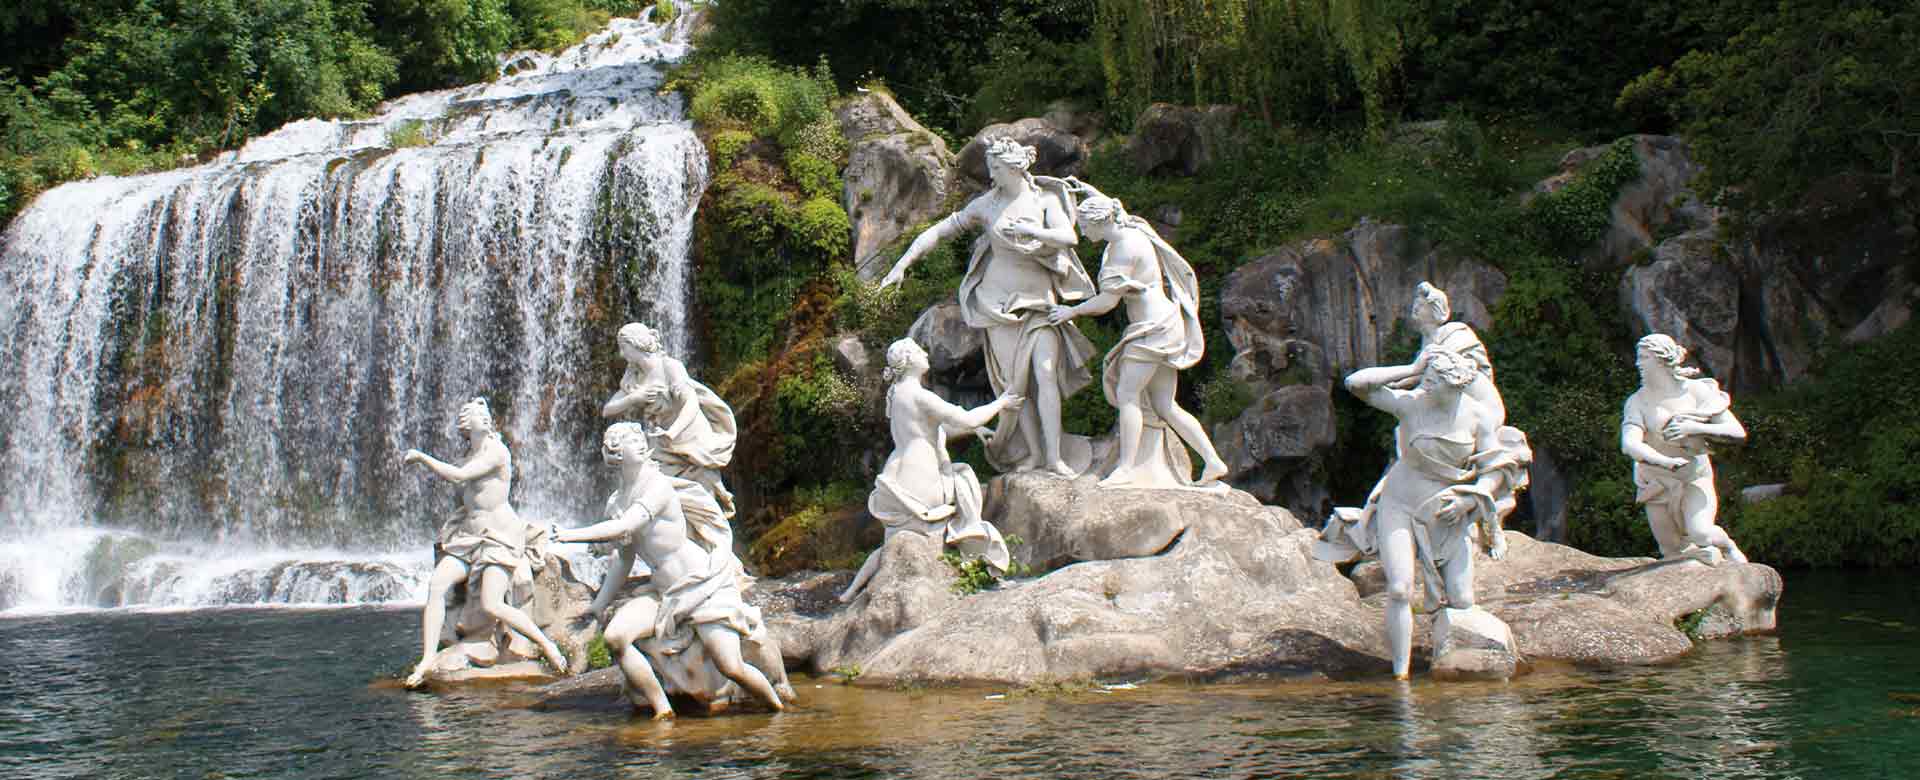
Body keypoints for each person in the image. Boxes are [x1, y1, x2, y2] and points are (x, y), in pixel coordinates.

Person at [878, 137, 1095, 477]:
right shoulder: (987, 205)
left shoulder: (1046, 200)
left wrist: (1033, 230)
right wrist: (902, 264)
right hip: (997, 305)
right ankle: (1035, 455)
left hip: (1038, 302)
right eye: (990, 168)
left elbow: (1069, 237)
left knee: (1046, 373)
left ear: (1015, 168)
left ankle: (1055, 456)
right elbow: (940, 231)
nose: (991, 175)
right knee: (1016, 384)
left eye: (996, 169)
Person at [1319, 350, 1531, 679]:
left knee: (1461, 601)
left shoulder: (1478, 416)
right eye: (1425, 378)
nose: (1425, 385)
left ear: (1454, 385)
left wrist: (1467, 502)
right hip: (1400, 503)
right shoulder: (1412, 404)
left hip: (1447, 511)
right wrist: (1413, 367)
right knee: (1401, 589)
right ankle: (1400, 674)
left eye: (1432, 380)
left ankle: (1449, 652)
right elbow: (1356, 383)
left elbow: (1495, 470)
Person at [552, 423, 786, 718]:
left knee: (732, 667)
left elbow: (626, 526)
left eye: (639, 438)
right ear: (614, 452)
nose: (639, 442)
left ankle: (778, 712)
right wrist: (598, 605)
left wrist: (569, 535)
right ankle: (663, 710)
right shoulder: (616, 501)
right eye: (629, 439)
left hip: (701, 585)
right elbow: (624, 559)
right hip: (664, 592)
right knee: (616, 638)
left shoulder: (657, 486)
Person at [1046, 192, 1227, 488]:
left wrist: (1071, 311)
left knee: (1127, 394)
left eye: (1084, 225)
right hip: (1165, 324)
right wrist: (1087, 191)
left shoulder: (1122, 249)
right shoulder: (1132, 229)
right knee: (1165, 404)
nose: (1081, 232)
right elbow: (1117, 208)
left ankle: (1127, 468)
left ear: (1098, 221)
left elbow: (1106, 303)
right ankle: (1213, 461)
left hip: (1151, 329)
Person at [838, 339, 1021, 603]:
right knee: (964, 476)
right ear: (910, 360)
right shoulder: (920, 395)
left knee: (891, 542)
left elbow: (928, 430)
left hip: (897, 477)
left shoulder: (896, 393)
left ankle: (851, 591)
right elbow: (967, 418)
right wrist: (1001, 403)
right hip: (923, 480)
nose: (925, 354)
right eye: (919, 351)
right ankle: (974, 548)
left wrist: (975, 430)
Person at [403, 398, 567, 688]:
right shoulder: (469, 454)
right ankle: (428, 658)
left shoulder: (497, 452)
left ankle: (546, 645)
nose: (473, 417)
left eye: (479, 414)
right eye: (468, 413)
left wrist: (421, 457)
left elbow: (459, 477)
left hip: (498, 538)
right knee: (437, 585)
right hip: (469, 537)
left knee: (492, 604)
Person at [1620, 333, 1749, 564]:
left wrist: (1694, 427)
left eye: (1644, 358)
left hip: (1693, 479)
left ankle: (1727, 546)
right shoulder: (1637, 402)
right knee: (1670, 551)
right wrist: (1664, 462)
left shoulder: (1697, 392)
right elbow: (1630, 444)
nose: (1638, 364)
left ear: (1661, 360)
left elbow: (1737, 432)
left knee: (1701, 533)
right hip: (1656, 484)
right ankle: (1702, 559)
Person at [602, 322, 738, 517]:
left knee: (700, 492)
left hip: (690, 436)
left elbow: (691, 403)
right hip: (661, 441)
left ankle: (712, 539)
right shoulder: (633, 375)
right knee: (653, 485)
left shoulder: (670, 367)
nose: (622, 354)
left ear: (637, 343)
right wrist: (634, 398)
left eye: (624, 348)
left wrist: (672, 433)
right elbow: (607, 410)